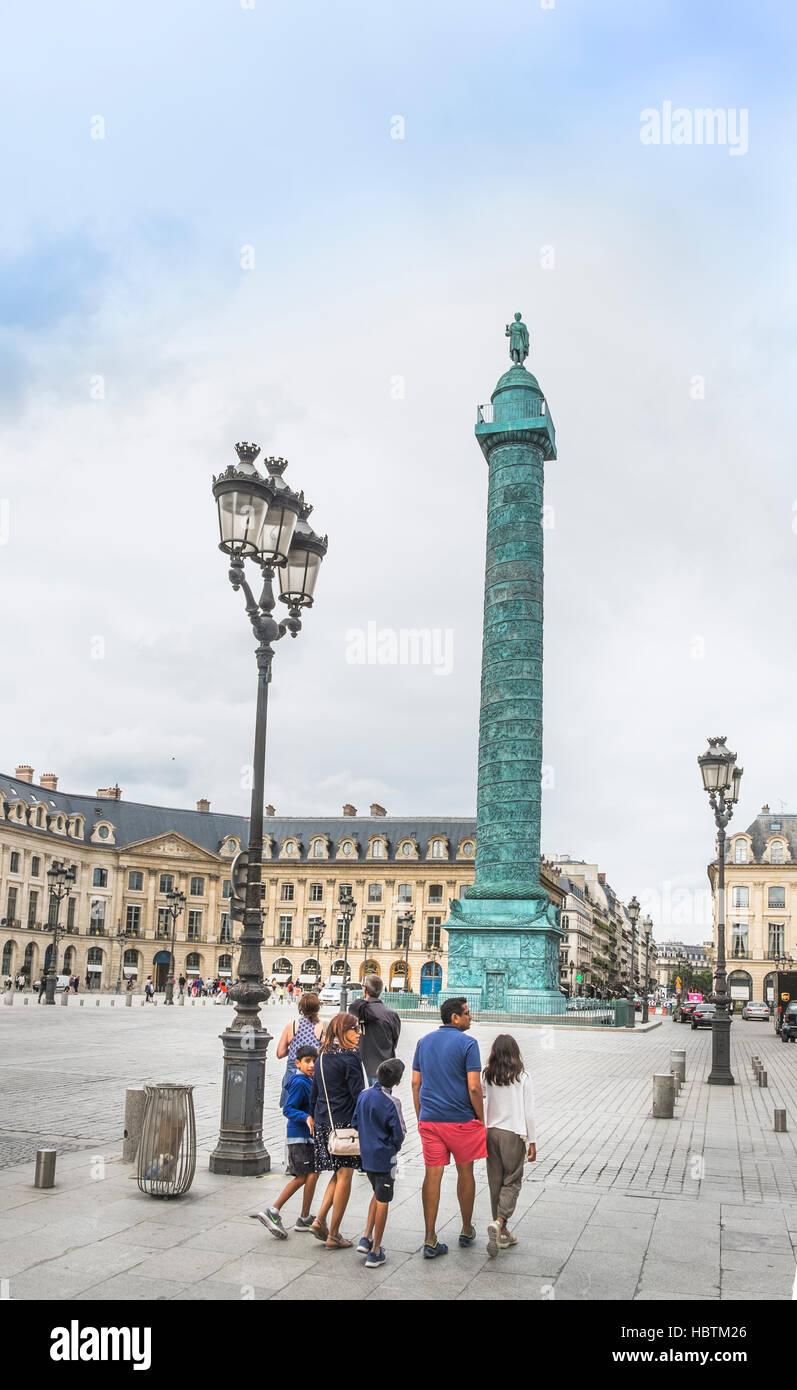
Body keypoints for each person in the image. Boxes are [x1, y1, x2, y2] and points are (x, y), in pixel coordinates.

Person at [411, 996, 486, 1259]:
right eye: (466, 1013)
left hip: (431, 1121)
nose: (470, 1017)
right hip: (462, 1120)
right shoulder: (469, 1044)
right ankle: (466, 1229)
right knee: (466, 1172)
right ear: (454, 1017)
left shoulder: (423, 1042)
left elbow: (415, 1084)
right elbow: (474, 1087)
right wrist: (481, 1118)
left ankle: (430, 1237)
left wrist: (422, 1115)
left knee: (433, 1174)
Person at [308, 1012, 367, 1249]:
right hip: (344, 1125)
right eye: (355, 1029)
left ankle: (320, 1220)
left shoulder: (322, 1054)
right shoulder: (351, 1057)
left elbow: (315, 1091)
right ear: (343, 1031)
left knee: (337, 1173)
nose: (360, 1033)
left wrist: (312, 1114)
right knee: (345, 1175)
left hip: (324, 1122)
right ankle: (334, 1233)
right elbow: (359, 1094)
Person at [254, 1045, 320, 1237]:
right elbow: (288, 1109)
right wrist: (305, 1117)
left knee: (313, 1174)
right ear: (297, 1063)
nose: (311, 1065)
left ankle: (305, 1217)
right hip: (299, 1136)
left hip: (307, 1137)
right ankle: (273, 1210)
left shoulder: (307, 1080)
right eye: (307, 1061)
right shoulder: (300, 1082)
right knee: (302, 1176)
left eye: (314, 1061)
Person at [482, 1034, 536, 1257]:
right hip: (513, 1133)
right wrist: (532, 1140)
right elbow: (529, 1112)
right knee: (512, 1180)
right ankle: (500, 1221)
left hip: (491, 1132)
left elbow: (481, 1097)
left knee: (495, 1181)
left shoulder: (488, 1075)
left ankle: (502, 1231)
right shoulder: (522, 1077)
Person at [353, 1058, 406, 1269]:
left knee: (376, 1193)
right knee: (383, 1199)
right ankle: (375, 1251)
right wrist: (393, 1147)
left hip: (366, 1156)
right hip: (384, 1157)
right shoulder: (393, 1103)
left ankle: (366, 1237)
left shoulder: (364, 1095)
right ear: (398, 1082)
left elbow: (355, 1121)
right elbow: (399, 1133)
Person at [348, 974, 401, 1084]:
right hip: (384, 1066)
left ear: (365, 990)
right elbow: (394, 1042)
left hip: (360, 1064)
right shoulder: (392, 1014)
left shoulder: (359, 1010)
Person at [276, 992, 325, 1108]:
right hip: (313, 1071)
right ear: (318, 1008)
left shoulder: (292, 1026)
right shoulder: (322, 1026)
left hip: (294, 1070)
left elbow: (280, 1053)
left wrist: (295, 1049)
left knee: (292, 1107)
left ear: (301, 1009)